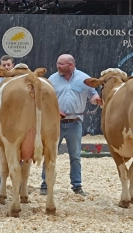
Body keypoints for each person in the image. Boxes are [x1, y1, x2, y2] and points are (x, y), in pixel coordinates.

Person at [40, 54, 102, 197]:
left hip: (75, 123)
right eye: (57, 63)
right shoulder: (51, 80)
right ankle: (45, 184)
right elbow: (45, 100)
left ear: (71, 65)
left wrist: (97, 100)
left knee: (75, 156)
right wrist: (56, 111)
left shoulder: (84, 79)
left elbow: (92, 95)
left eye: (61, 64)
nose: (58, 66)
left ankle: (77, 186)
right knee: (50, 153)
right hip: (55, 124)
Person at [0, 55, 15, 195]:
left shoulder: (19, 82)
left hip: (17, 122)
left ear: (13, 65)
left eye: (8, 65)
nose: (6, 67)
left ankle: (19, 185)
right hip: (1, 123)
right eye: (3, 65)